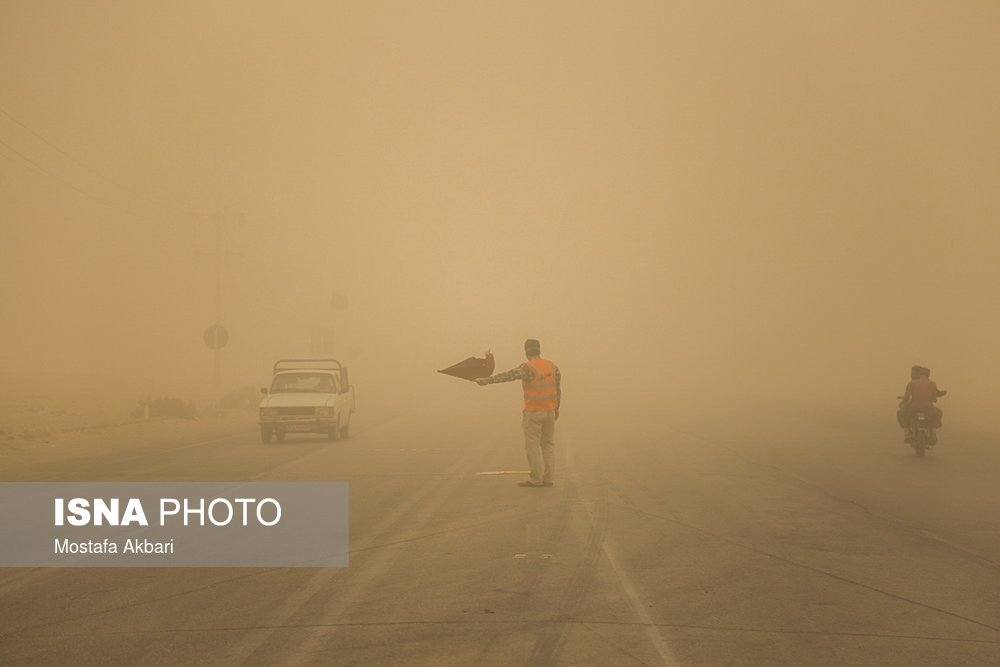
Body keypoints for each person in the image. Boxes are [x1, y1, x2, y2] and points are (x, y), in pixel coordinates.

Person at [476, 339, 561, 487]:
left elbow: (508, 376)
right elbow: (558, 389)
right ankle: (549, 478)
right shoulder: (552, 366)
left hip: (534, 412)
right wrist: (556, 408)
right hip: (550, 411)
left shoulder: (528, 367)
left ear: (526, 351)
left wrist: (487, 380)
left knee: (532, 446)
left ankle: (536, 479)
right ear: (539, 350)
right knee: (548, 445)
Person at [897, 365, 946, 442]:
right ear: (929, 375)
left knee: (900, 413)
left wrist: (902, 402)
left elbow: (906, 397)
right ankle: (933, 431)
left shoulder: (912, 383)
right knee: (939, 413)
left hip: (913, 407)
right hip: (928, 408)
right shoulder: (932, 383)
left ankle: (907, 432)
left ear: (919, 374)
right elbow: (934, 397)